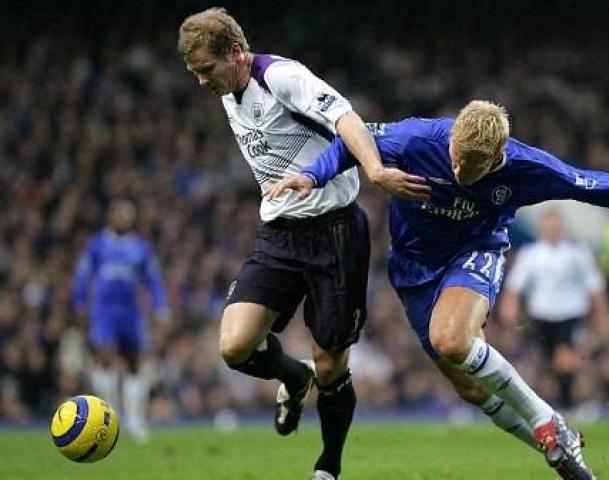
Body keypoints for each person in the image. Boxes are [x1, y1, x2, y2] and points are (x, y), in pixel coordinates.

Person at [265, 100, 609, 480]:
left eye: (472, 164)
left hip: (475, 252)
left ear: (497, 155)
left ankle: (547, 420)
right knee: (471, 390)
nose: (459, 167)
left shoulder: (526, 167)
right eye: (456, 156)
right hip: (414, 268)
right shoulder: (418, 140)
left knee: (452, 339)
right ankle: (557, 448)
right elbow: (349, 139)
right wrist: (314, 175)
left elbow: (593, 185)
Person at [177, 8, 428, 480]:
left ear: (236, 52)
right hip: (279, 234)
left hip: (335, 233)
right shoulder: (230, 90)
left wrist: (374, 171)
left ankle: (328, 467)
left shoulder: (283, 77)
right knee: (235, 345)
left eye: (205, 71)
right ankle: (293, 378)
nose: (201, 82)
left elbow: (346, 117)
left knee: (331, 365)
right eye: (194, 74)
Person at [72, 199, 169, 443]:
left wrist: (161, 308)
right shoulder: (96, 245)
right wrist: (80, 303)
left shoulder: (140, 247)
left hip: (131, 313)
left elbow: (153, 279)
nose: (125, 219)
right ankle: (110, 417)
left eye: (129, 215)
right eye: (121, 214)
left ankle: (135, 421)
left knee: (135, 364)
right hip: (104, 312)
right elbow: (83, 275)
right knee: (105, 358)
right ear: (111, 217)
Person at [500, 209, 609, 409]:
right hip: (540, 316)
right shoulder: (531, 254)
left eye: (556, 225)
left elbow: (595, 285)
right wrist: (510, 306)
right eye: (548, 225)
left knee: (565, 360)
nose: (552, 229)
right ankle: (560, 404)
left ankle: (570, 404)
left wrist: (603, 315)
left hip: (569, 314)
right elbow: (515, 285)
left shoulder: (577, 253)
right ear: (542, 228)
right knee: (549, 364)